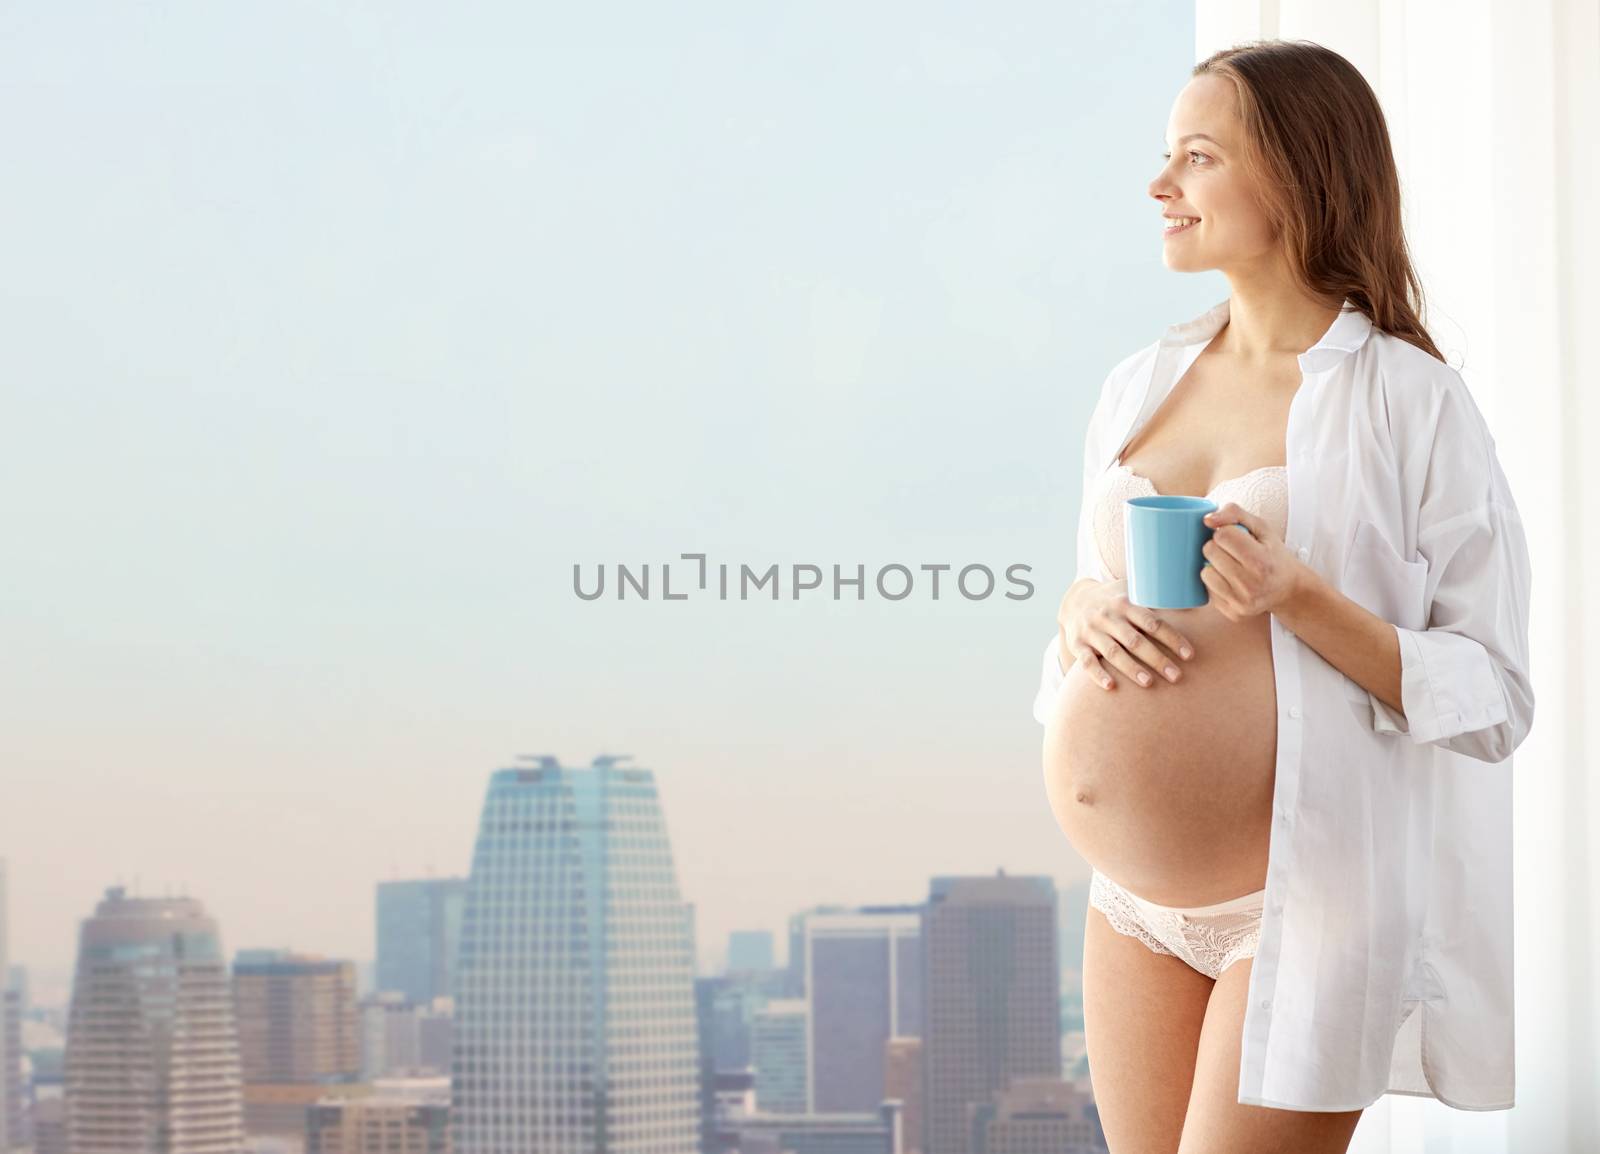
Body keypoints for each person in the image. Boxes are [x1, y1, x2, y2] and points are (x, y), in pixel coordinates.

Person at [1034, 40, 1535, 1154]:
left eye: (1196, 157)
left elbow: (1496, 695)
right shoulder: (1138, 383)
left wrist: (1299, 596)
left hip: (1306, 899)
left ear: (1297, 178)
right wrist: (1077, 610)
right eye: (1164, 155)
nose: (1159, 186)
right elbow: (1086, 619)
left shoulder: (1409, 400)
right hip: (1129, 905)